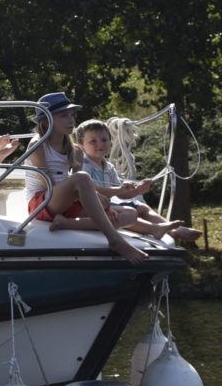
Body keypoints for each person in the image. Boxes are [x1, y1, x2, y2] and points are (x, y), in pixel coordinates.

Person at [20, 92, 149, 265]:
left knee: (130, 215)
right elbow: (48, 183)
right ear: (45, 120)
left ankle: (66, 223)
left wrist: (98, 200)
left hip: (65, 202)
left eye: (72, 115)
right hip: (42, 202)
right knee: (82, 177)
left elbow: (81, 186)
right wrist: (93, 197)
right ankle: (115, 240)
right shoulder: (38, 144)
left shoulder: (76, 150)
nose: (71, 120)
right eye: (64, 115)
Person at [75, 118, 202, 244]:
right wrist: (119, 189)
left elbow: (121, 194)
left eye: (104, 140)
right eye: (93, 141)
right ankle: (155, 229)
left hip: (108, 204)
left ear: (110, 141)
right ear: (82, 146)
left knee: (142, 207)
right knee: (127, 213)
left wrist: (137, 190)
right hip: (92, 207)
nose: (100, 144)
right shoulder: (83, 165)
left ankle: (175, 229)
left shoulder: (109, 167)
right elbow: (88, 190)